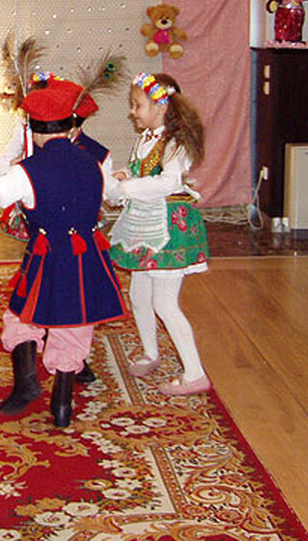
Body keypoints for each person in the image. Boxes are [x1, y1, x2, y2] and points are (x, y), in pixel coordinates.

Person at [0, 85, 126, 427]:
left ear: (33, 130)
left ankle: (26, 383)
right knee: (75, 321)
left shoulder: (27, 170)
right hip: (87, 255)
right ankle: (62, 404)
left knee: (22, 314)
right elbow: (116, 194)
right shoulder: (96, 162)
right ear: (70, 126)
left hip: (47, 255)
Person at [105, 72, 210, 396]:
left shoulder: (175, 143)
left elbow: (168, 182)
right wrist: (126, 175)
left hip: (167, 228)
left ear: (161, 107)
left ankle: (195, 374)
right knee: (139, 295)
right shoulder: (146, 139)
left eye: (137, 105)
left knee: (165, 302)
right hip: (144, 224)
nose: (132, 112)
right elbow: (142, 171)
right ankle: (151, 353)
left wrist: (126, 187)